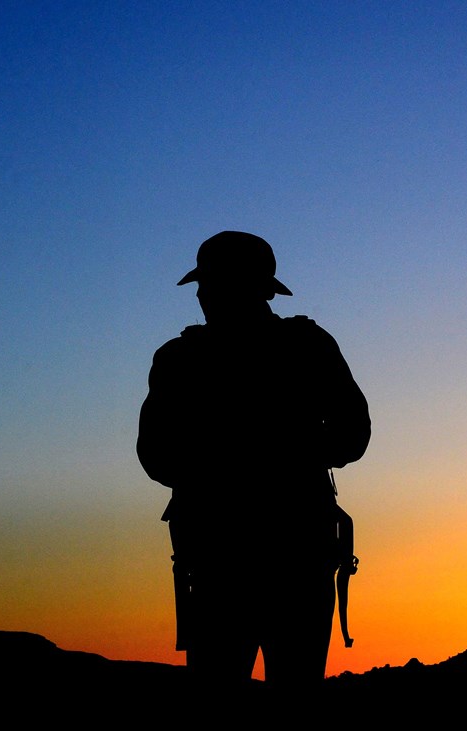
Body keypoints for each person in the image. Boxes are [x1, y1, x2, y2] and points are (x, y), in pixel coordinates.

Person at [137, 231, 370, 686]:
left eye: (210, 284)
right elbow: (351, 437)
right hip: (262, 561)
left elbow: (156, 456)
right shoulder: (305, 346)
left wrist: (230, 466)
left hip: (245, 562)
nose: (203, 295)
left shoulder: (182, 358)